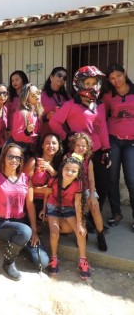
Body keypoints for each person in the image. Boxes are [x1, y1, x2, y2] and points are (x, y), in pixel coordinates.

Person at [49, 66, 111, 214]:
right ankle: (82, 218)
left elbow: (102, 128)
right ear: (80, 84)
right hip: (79, 154)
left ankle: (95, 216)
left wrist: (107, 149)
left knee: (102, 185)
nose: (92, 86)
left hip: (98, 151)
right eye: (87, 83)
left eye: (94, 83)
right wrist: (67, 136)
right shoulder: (70, 105)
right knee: (80, 187)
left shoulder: (100, 105)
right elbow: (54, 122)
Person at [0, 143, 47, 281]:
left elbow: (30, 206)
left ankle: (19, 243)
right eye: (10, 156)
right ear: (4, 158)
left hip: (21, 223)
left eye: (17, 157)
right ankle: (8, 263)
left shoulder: (25, 179)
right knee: (24, 232)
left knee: (42, 261)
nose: (14, 160)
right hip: (2, 223)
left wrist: (34, 231)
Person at [40, 156, 90, 280]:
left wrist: (79, 223)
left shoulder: (78, 184)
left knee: (80, 232)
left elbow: (78, 205)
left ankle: (83, 260)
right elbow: (47, 195)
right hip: (53, 207)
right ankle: (54, 259)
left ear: (78, 173)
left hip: (68, 208)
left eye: (73, 171)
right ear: (62, 169)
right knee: (54, 233)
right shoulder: (54, 180)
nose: (69, 173)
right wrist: (44, 209)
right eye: (67, 169)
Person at [101, 63, 134, 229]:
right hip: (113, 140)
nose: (116, 80)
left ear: (124, 73)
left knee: (132, 180)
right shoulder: (108, 96)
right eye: (112, 78)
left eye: (118, 76)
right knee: (112, 179)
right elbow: (101, 115)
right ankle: (116, 213)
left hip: (132, 144)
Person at [66, 132, 107, 251]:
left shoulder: (88, 161)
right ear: (73, 146)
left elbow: (91, 180)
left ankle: (101, 235)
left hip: (86, 189)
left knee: (94, 206)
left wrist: (93, 196)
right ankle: (83, 232)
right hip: (72, 190)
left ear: (87, 148)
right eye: (78, 145)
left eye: (83, 146)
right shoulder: (67, 157)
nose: (80, 148)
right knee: (81, 207)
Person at [23, 133, 63, 228]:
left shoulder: (60, 164)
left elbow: (63, 185)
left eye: (54, 143)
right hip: (33, 201)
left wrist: (51, 170)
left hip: (51, 202)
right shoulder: (34, 162)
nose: (51, 146)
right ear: (42, 145)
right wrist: (40, 190)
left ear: (59, 146)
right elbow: (22, 185)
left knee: (64, 227)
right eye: (47, 143)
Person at [10, 83, 44, 159]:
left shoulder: (37, 112)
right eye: (33, 95)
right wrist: (27, 131)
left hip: (31, 150)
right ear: (26, 98)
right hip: (21, 152)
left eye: (38, 92)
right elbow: (16, 136)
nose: (37, 96)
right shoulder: (21, 113)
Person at [40, 67, 70, 137]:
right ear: (51, 77)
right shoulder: (40, 96)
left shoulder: (68, 97)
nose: (61, 78)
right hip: (46, 135)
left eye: (64, 78)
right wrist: (46, 117)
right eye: (59, 75)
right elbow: (34, 116)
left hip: (63, 134)